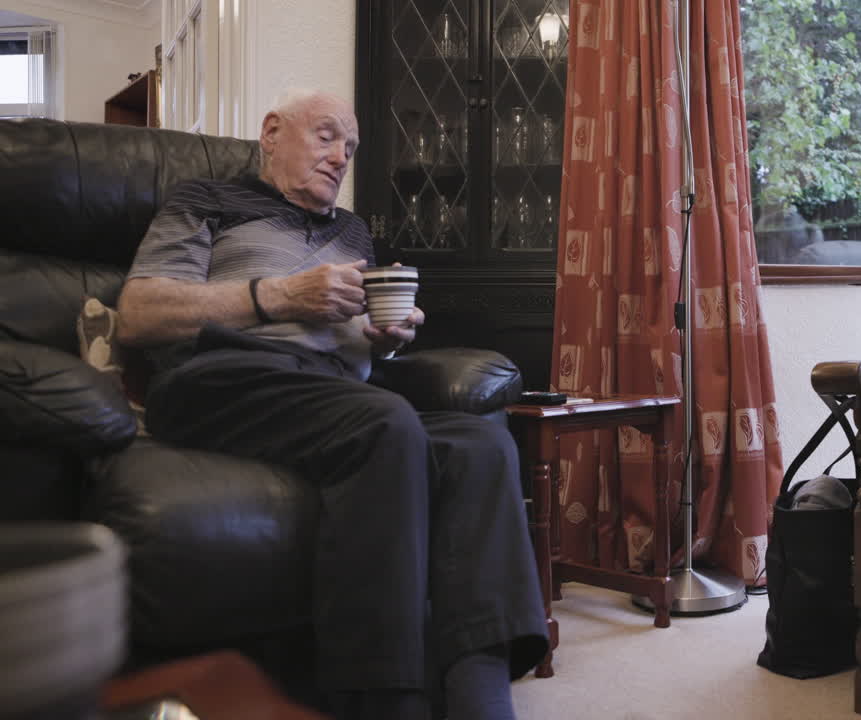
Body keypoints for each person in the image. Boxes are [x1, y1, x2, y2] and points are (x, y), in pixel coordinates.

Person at [117, 89, 548, 720]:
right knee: (383, 422)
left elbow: (353, 338)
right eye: (325, 137)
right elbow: (139, 314)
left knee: (481, 443)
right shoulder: (204, 201)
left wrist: (388, 336)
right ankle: (382, 696)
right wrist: (279, 296)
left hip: (338, 389)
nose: (340, 156)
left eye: (348, 147)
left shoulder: (353, 231)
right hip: (223, 377)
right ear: (271, 133)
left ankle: (480, 687)